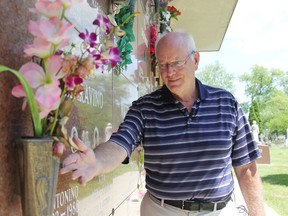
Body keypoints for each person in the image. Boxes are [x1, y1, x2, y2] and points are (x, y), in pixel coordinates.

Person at [55, 31, 265, 216]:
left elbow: (246, 167)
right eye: (163, 65)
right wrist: (98, 162)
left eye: (176, 63)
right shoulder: (145, 107)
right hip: (162, 211)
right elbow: (121, 142)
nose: (169, 73)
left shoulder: (226, 103)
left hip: (218, 211)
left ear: (196, 60)